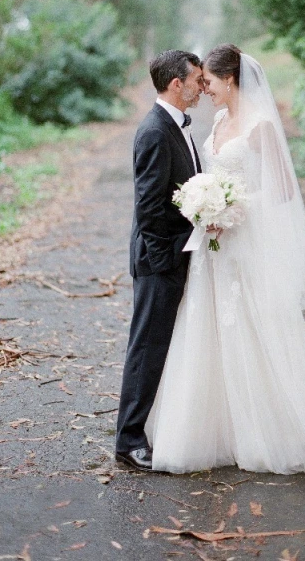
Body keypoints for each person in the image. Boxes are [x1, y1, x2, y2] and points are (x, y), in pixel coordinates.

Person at [145, 44, 305, 474]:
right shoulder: (221, 120)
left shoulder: (261, 125)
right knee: (209, 329)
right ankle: (213, 431)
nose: (203, 89)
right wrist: (205, 205)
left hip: (243, 242)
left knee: (254, 328)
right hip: (212, 249)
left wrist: (232, 209)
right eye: (199, 81)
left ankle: (273, 431)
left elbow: (282, 192)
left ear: (230, 80)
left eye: (208, 81)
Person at [115, 50, 203, 472]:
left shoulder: (178, 126)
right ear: (176, 84)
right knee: (146, 348)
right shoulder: (154, 131)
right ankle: (129, 440)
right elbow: (148, 207)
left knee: (158, 346)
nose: (201, 87)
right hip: (158, 262)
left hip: (175, 255)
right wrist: (164, 259)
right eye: (197, 80)